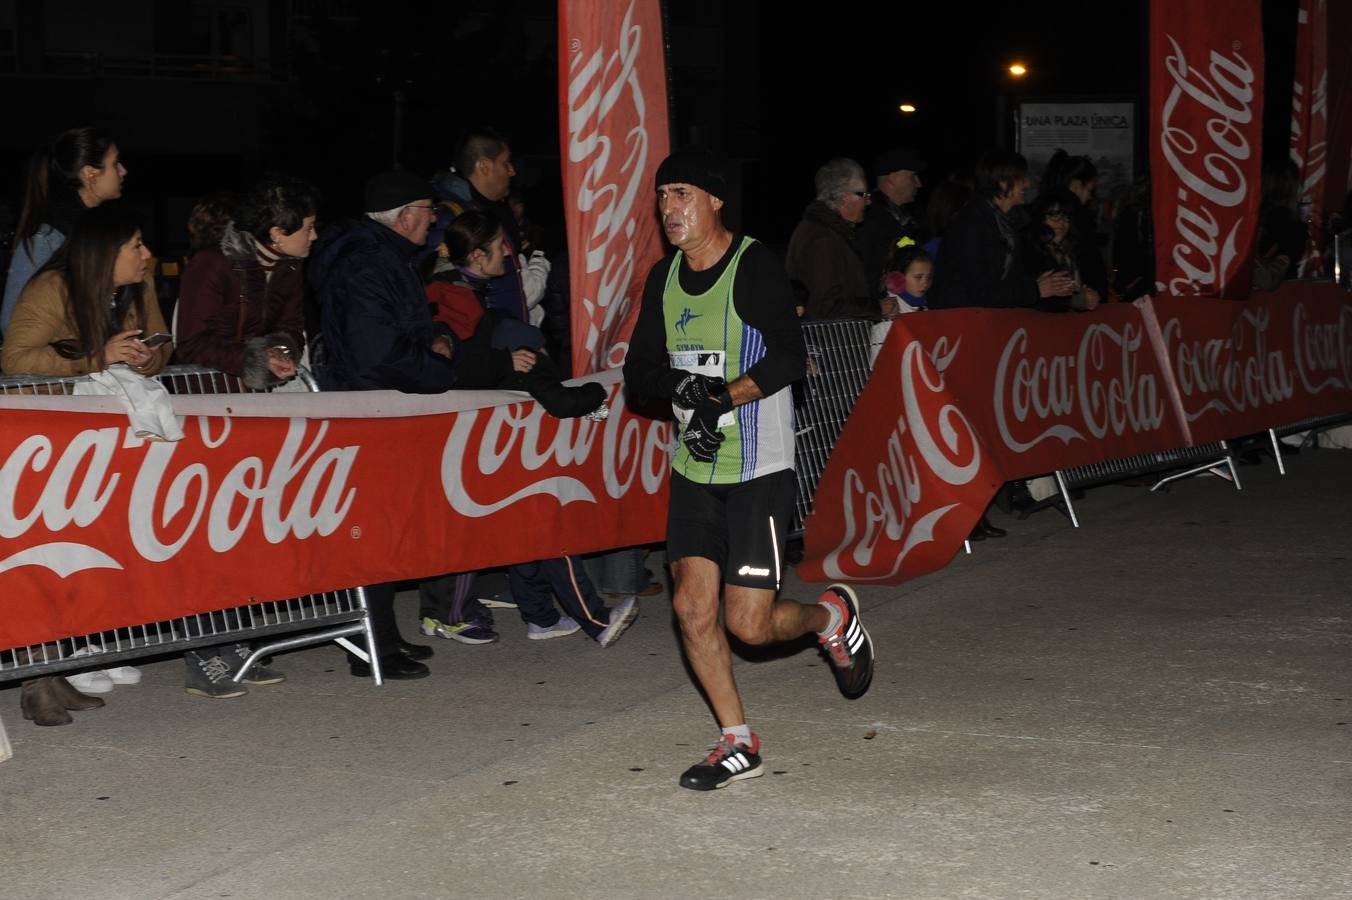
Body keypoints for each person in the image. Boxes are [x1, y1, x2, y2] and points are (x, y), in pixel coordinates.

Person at [624, 148, 875, 791]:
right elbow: (638, 374)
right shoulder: (664, 278)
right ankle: (737, 740)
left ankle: (832, 619)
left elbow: (790, 358)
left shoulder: (753, 266)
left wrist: (718, 397)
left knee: (750, 625)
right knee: (691, 606)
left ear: (714, 201)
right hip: (695, 467)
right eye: (662, 197)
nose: (669, 208)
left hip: (758, 465)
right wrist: (681, 387)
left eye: (681, 194)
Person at [1, 204, 170, 723]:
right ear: (106, 252)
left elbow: (163, 345)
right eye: (136, 245)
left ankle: (56, 669)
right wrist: (95, 357)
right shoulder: (52, 288)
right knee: (41, 554)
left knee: (87, 550)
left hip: (105, 439)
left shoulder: (137, 289)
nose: (147, 255)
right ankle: (36, 677)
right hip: (49, 440)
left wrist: (146, 355)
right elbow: (15, 359)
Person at [308, 170, 480, 679]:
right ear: (404, 216)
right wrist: (439, 368)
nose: (434, 220)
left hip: (379, 407)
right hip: (370, 410)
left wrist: (437, 341)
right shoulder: (368, 263)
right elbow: (377, 351)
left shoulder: (382, 256)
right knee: (374, 533)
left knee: (387, 533)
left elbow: (406, 332)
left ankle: (381, 634)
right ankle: (370, 646)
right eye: (428, 210)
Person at [176, 176, 318, 387]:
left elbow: (291, 327)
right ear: (277, 234)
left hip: (260, 392)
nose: (314, 236)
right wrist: (256, 360)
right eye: (308, 228)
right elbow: (192, 343)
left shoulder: (289, 267)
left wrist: (282, 352)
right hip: (213, 391)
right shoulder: (213, 264)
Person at [2, 127, 127, 334]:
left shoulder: (99, 230)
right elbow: (12, 322)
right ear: (90, 174)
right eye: (115, 163)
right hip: (59, 363)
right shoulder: (47, 238)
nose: (123, 171)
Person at [928, 151, 1074, 310]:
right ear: (1003, 183)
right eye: (1022, 178)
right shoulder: (972, 224)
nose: (1028, 184)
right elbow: (978, 290)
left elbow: (1012, 278)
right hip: (958, 324)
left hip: (982, 320)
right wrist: (1035, 290)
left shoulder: (1009, 223)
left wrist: (1044, 286)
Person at [785, 158, 878, 320]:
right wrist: (876, 308)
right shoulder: (822, 239)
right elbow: (828, 306)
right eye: (864, 194)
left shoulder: (829, 232)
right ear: (844, 197)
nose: (869, 201)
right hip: (829, 342)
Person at [860, 148, 926, 287]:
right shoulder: (868, 220)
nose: (919, 184)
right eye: (913, 176)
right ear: (892, 178)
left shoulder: (909, 218)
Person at [1024, 191, 1101, 312]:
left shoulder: (1072, 252)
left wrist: (1090, 295)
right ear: (1040, 218)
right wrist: (1078, 300)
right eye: (1054, 216)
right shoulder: (1028, 251)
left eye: (1066, 218)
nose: (1061, 222)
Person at [879, 239, 934, 316]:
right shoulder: (886, 311)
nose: (925, 283)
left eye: (929, 277)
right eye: (918, 277)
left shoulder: (925, 306)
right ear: (898, 279)